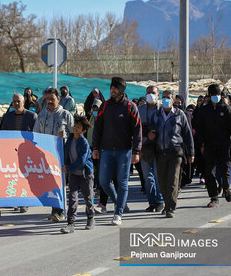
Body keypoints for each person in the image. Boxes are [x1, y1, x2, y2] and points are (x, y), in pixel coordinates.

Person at [92, 77, 142, 226]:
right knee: (103, 181)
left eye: (115, 88)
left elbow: (138, 129)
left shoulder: (130, 106)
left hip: (124, 152)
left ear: (121, 90)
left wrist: (136, 151)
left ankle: (118, 213)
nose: (112, 90)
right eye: (111, 88)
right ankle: (119, 203)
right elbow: (97, 128)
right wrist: (95, 147)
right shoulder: (105, 106)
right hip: (106, 151)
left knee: (122, 182)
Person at [148, 90, 194, 218]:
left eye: (168, 98)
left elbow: (187, 135)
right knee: (162, 181)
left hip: (175, 152)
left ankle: (170, 207)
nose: (165, 100)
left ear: (173, 100)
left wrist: (191, 153)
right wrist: (149, 135)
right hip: (160, 152)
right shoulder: (156, 115)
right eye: (163, 98)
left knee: (172, 180)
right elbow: (150, 130)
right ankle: (167, 203)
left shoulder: (180, 115)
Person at [195, 84, 231, 208]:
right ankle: (214, 197)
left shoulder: (226, 109)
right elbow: (198, 128)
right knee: (209, 172)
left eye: (217, 95)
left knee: (225, 169)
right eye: (213, 95)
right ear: (209, 96)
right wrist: (202, 143)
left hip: (224, 145)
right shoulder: (204, 110)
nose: (215, 97)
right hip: (209, 146)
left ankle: (226, 188)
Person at [33, 87, 74, 222]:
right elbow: (36, 135)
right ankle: (54, 210)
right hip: (45, 156)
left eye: (53, 99)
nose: (50, 101)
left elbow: (74, 135)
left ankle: (60, 211)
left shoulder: (65, 115)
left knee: (60, 183)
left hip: (61, 156)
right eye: (48, 99)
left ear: (58, 99)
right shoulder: (41, 116)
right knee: (49, 184)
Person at [60, 115, 95, 234]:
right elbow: (63, 150)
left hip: (85, 174)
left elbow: (81, 161)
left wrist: (68, 168)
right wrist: (60, 140)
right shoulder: (70, 138)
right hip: (73, 174)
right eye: (75, 125)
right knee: (72, 198)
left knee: (88, 198)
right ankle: (70, 224)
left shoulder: (84, 143)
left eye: (78, 127)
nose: (75, 128)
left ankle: (90, 218)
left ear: (83, 131)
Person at [138, 86, 164, 212]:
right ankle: (151, 202)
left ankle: (160, 200)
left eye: (153, 93)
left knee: (158, 175)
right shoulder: (139, 110)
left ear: (158, 95)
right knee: (147, 177)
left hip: (160, 147)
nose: (150, 95)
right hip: (145, 147)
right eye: (148, 93)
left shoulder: (164, 110)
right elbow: (135, 129)